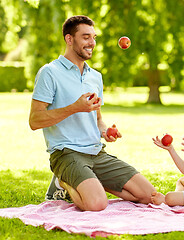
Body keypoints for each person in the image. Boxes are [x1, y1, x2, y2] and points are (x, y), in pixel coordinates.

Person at [29, 15, 155, 211]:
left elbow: (98, 119)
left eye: (94, 37)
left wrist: (106, 131)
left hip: (96, 152)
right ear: (69, 39)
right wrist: (74, 107)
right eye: (86, 37)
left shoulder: (95, 76)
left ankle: (90, 181)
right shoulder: (49, 72)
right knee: (97, 203)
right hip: (66, 153)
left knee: (150, 196)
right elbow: (34, 120)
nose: (92, 43)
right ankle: (62, 183)